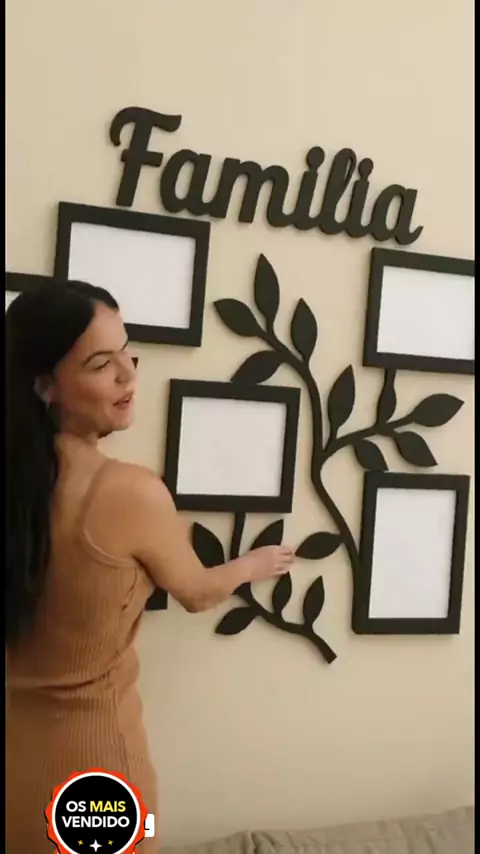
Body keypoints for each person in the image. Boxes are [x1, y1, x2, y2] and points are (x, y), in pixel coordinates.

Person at [5, 279, 295, 854]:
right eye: (100, 364)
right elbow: (196, 591)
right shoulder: (129, 492)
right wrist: (251, 564)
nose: (128, 377)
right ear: (44, 385)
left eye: (126, 353)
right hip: (97, 776)